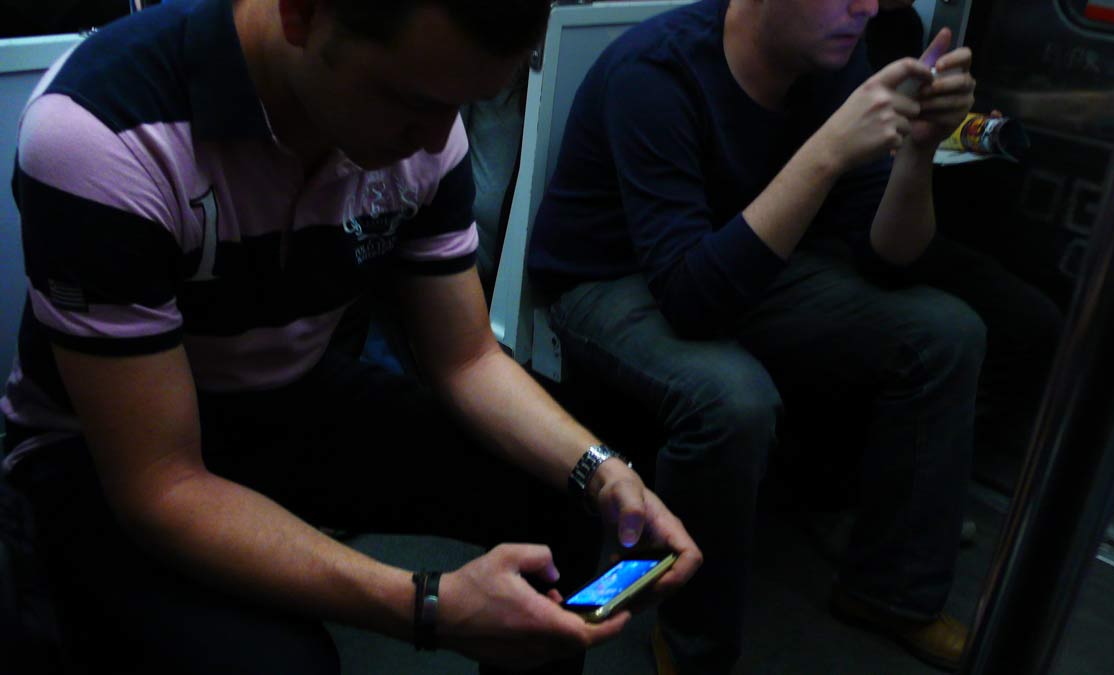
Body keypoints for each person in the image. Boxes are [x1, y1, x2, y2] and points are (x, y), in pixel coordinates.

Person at [0, 0, 702, 673]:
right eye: (412, 102)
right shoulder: (102, 129)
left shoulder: (425, 121)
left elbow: (466, 359)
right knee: (283, 665)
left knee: (564, 495)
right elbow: (163, 482)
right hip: (102, 452)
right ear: (302, 12)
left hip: (282, 390)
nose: (437, 142)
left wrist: (604, 470)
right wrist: (427, 605)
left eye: (463, 106)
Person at [528, 0, 1060, 672]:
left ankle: (892, 593)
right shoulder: (656, 73)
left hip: (738, 256)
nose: (866, 7)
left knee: (945, 332)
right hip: (611, 274)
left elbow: (889, 259)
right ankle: (695, 647)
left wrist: (918, 150)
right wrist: (829, 149)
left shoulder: (832, 58)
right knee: (732, 398)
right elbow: (691, 300)